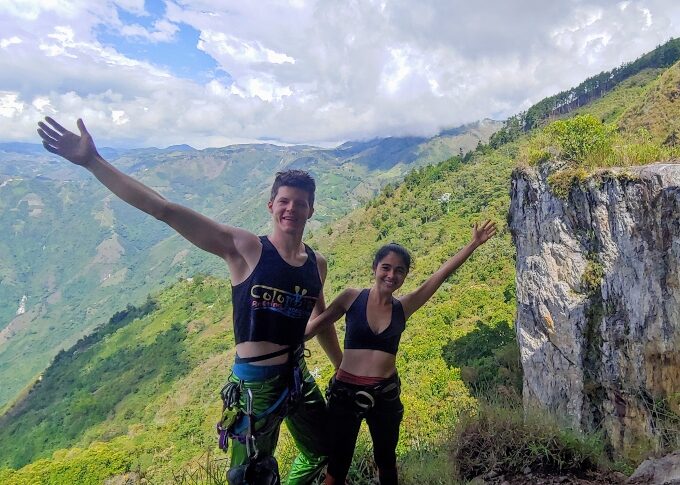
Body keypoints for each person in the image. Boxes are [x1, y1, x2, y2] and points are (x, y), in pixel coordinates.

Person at [37, 117, 343, 484]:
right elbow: (163, 209)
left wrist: (341, 367)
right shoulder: (246, 250)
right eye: (284, 201)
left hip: (296, 375)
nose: (291, 209)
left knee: (325, 449)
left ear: (311, 209)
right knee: (251, 476)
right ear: (270, 205)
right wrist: (93, 162)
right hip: (255, 387)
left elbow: (320, 320)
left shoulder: (316, 264)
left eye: (300, 203)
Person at [305, 222, 497, 485]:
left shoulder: (403, 307)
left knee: (386, 460)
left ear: (405, 276)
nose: (391, 275)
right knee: (337, 466)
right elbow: (316, 326)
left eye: (399, 270)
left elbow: (439, 276)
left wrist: (473, 244)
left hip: (385, 394)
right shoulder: (351, 297)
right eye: (386, 267)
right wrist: (276, 343)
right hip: (345, 394)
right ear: (374, 268)